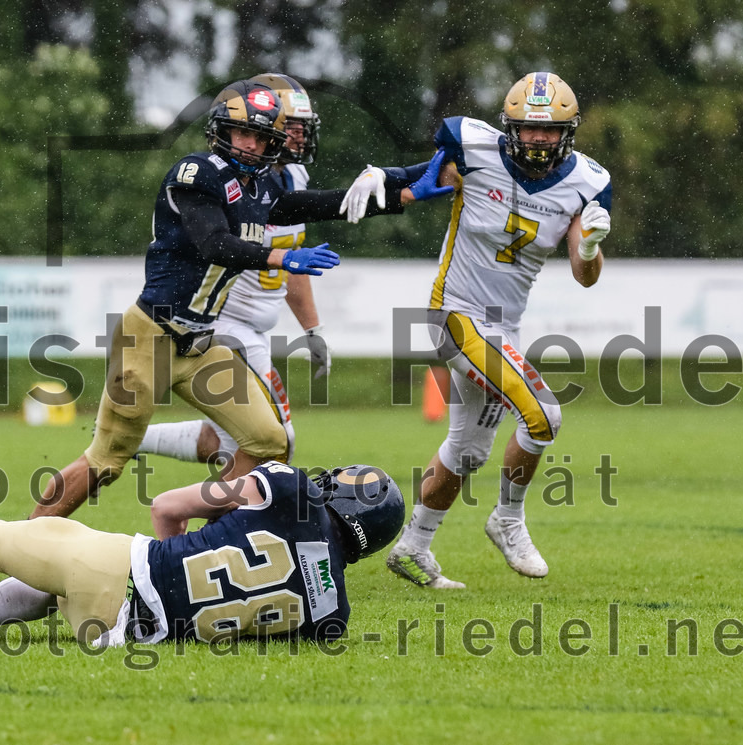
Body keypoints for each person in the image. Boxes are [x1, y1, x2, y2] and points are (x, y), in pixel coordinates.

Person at [30, 77, 450, 520]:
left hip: (201, 345)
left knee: (270, 443)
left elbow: (322, 203)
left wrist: (401, 188)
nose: (250, 144)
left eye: (259, 136)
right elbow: (214, 243)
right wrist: (280, 257)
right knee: (107, 461)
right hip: (152, 335)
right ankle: (24, 546)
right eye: (241, 133)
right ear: (221, 132)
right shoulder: (197, 172)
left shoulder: (260, 188)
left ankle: (207, 539)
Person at [357, 72, 611, 589]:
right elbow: (424, 179)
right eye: (528, 128)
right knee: (544, 415)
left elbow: (586, 277)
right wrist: (381, 176)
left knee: (468, 449)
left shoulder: (587, 181)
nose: (539, 138)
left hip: (502, 327)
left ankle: (413, 548)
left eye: (551, 130)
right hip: (454, 313)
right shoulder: (473, 149)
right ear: (509, 125)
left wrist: (588, 248)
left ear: (569, 131)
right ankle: (508, 519)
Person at [0, 463, 406, 646]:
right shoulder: (333, 617)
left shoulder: (295, 492)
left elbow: (172, 503)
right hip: (127, 632)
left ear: (350, 499)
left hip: (121, 574)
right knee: (57, 581)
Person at [136, 72, 328, 468]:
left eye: (300, 127)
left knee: (232, 440)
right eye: (290, 126)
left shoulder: (290, 177)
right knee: (276, 443)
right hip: (227, 323)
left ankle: (136, 439)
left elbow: (293, 258)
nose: (297, 136)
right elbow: (223, 246)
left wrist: (313, 329)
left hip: (253, 326)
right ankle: (223, 526)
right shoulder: (238, 181)